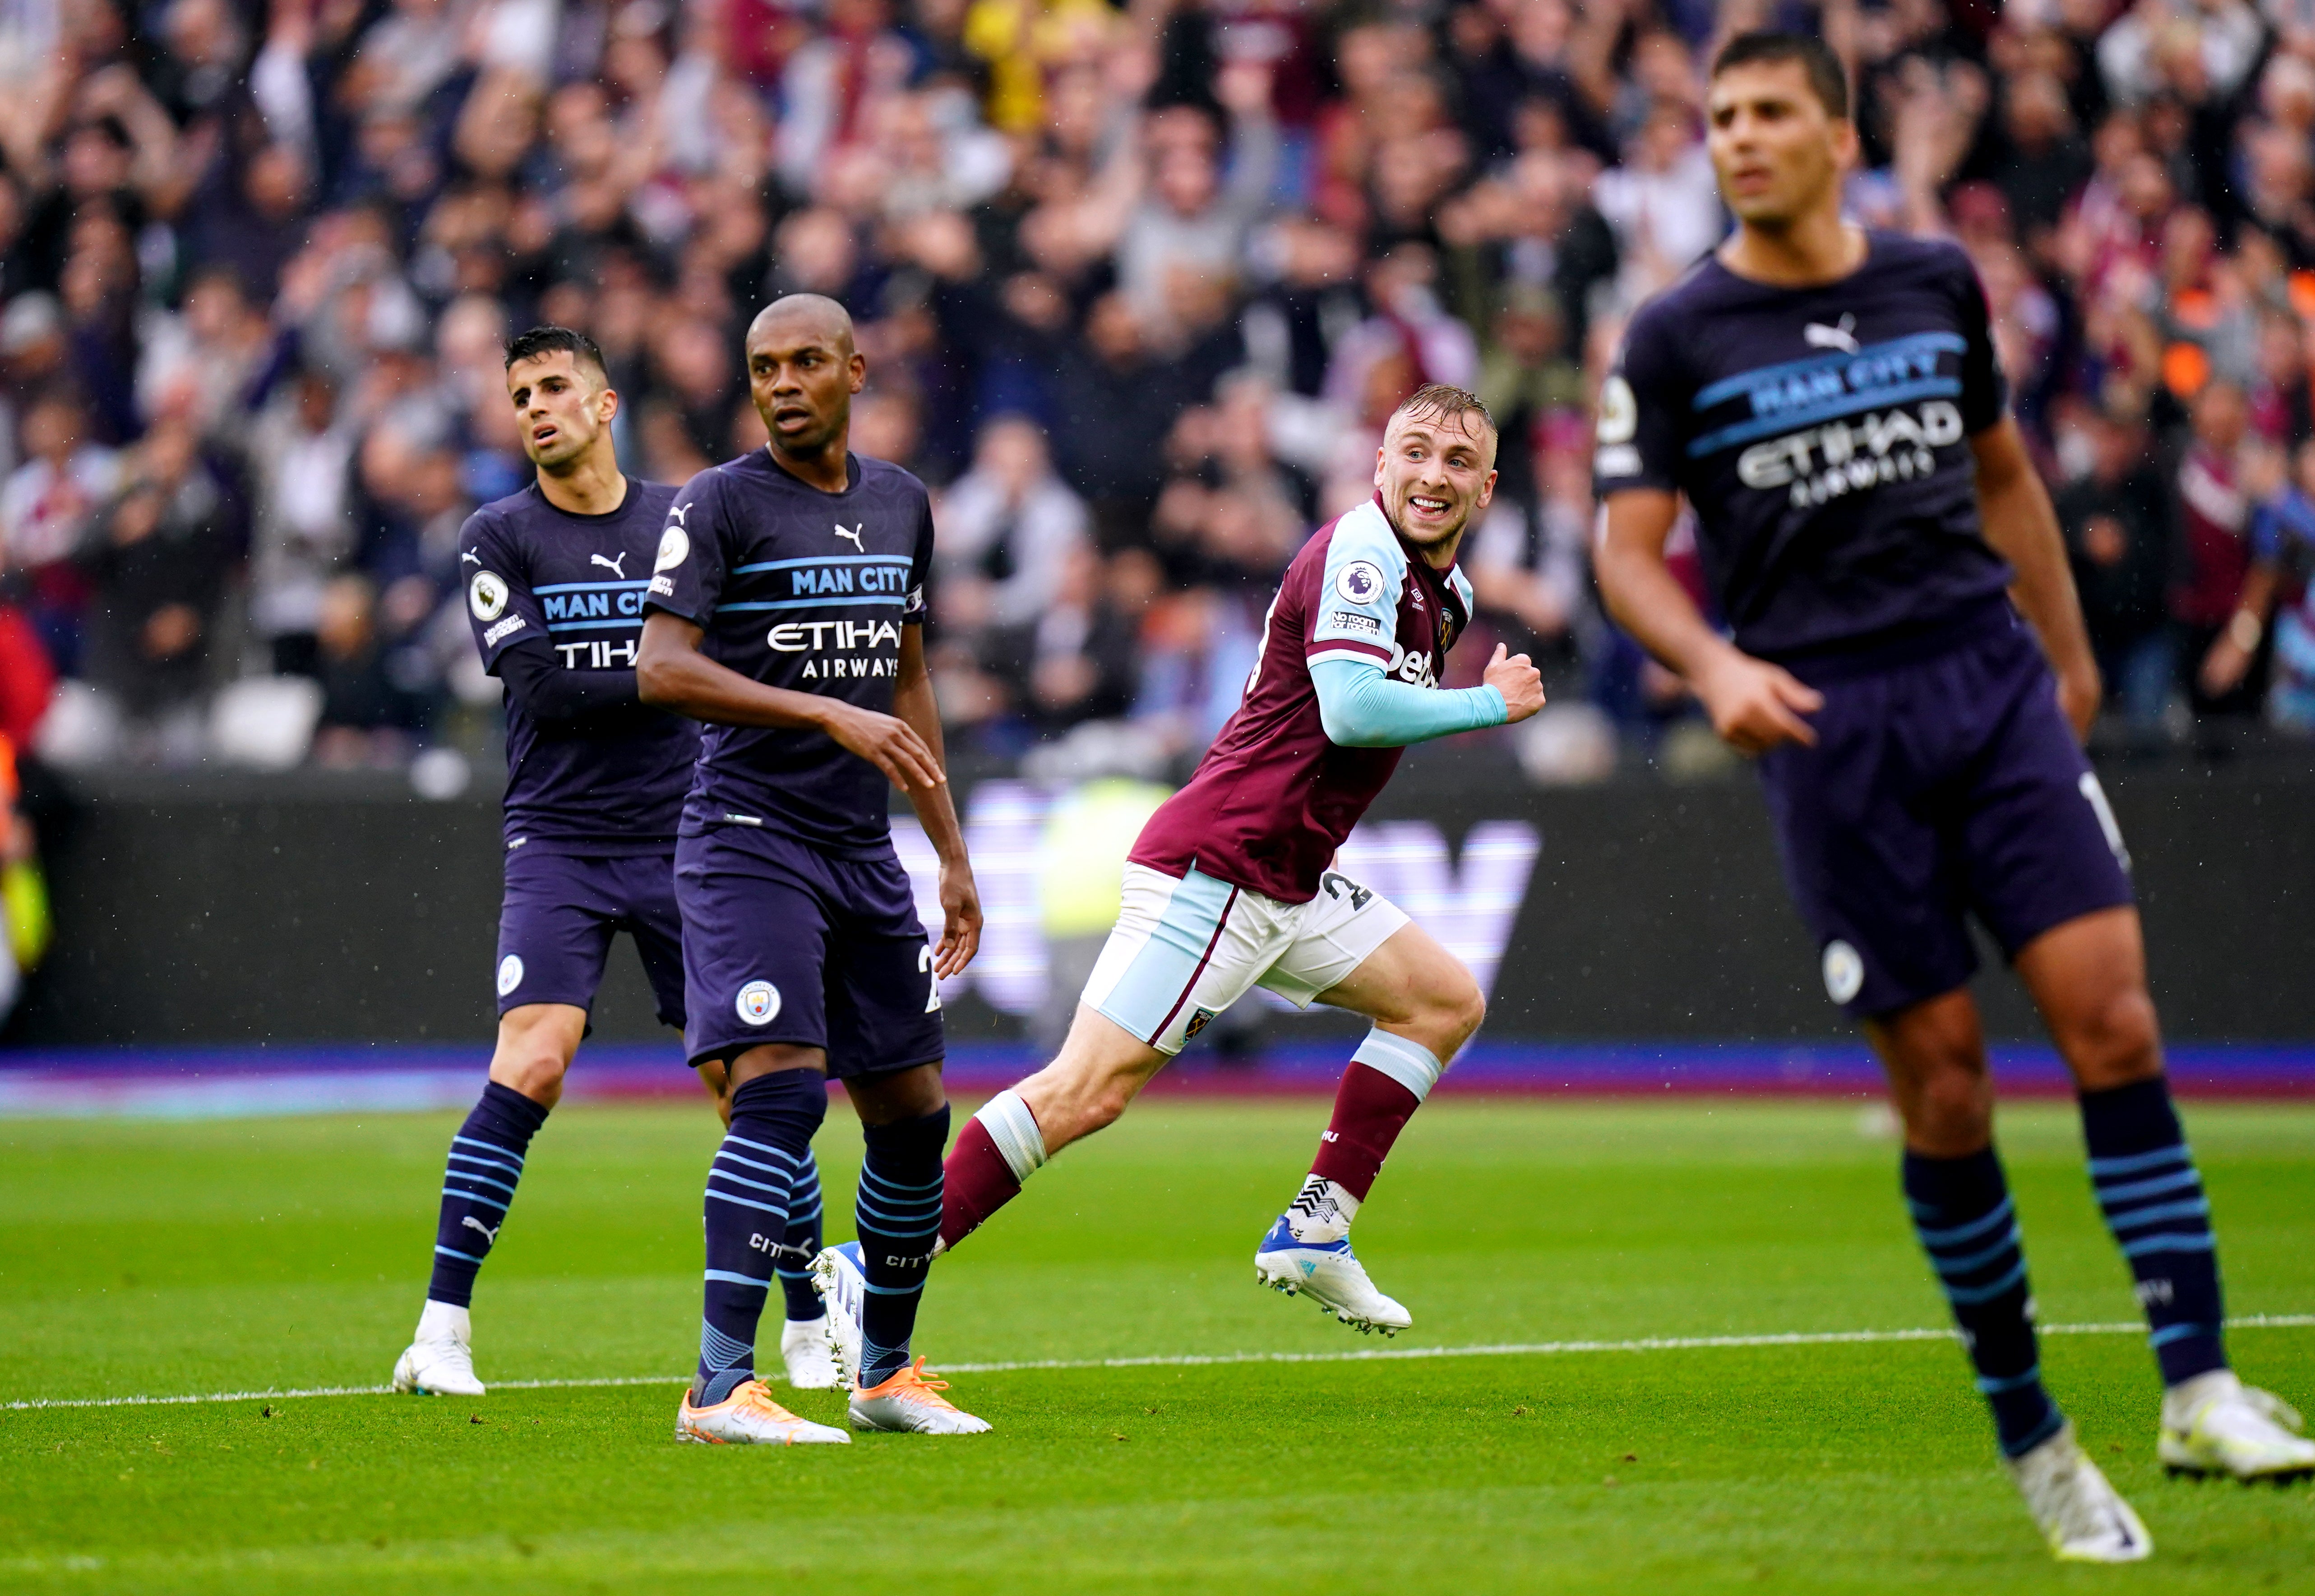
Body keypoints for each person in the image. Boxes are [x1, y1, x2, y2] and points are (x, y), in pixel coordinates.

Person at [1590, 32, 2315, 1566]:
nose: (1739, 138)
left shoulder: (1934, 282)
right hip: (1829, 725)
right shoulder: (1674, 335)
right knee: (1947, 1088)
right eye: (1720, 118)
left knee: (2112, 1018)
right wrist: (1710, 665)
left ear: (1839, 133)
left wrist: (2064, 653)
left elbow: (2003, 478)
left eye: (1771, 112)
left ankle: (2197, 1380)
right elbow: (1621, 549)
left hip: (1985, 686)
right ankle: (2034, 1431)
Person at [920, 383, 1546, 1336]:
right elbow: (1352, 708)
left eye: (1457, 461)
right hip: (1222, 864)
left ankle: (1316, 1230)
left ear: (1488, 487)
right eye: (1413, 451)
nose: (1431, 474)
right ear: (1378, 465)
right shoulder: (1362, 551)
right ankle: (875, 1262)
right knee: (1084, 1090)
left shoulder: (1448, 594)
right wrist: (1485, 706)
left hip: (1286, 874)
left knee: (1443, 998)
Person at [391, 327, 835, 1400]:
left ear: (604, 405)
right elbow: (540, 692)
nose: (535, 407)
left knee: (754, 1086)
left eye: (554, 389)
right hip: (561, 843)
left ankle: (815, 1318)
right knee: (534, 1059)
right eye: (520, 395)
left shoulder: (688, 518)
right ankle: (438, 1331)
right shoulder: (497, 535)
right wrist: (675, 673)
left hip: (696, 834)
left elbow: (748, 651)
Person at [638, 294, 989, 1443]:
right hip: (747, 833)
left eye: (804, 363)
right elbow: (661, 667)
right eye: (762, 367)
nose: (782, 383)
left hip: (858, 849)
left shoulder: (902, 504)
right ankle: (715, 1387)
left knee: (912, 1111)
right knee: (782, 1090)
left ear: (855, 368)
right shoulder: (720, 501)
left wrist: (949, 848)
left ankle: (882, 1374)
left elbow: (909, 679)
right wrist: (820, 714)